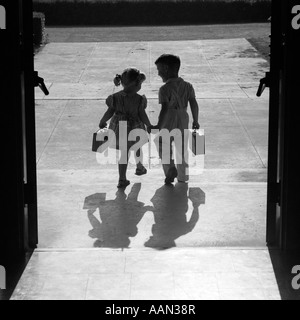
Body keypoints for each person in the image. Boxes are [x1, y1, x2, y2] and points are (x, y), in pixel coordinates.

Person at [99, 68, 152, 188]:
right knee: (137, 146)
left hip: (120, 127)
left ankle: (122, 178)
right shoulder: (139, 99)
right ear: (136, 84)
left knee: (124, 153)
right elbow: (142, 114)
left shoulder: (114, 97)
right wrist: (149, 125)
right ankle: (139, 167)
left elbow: (110, 111)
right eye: (140, 84)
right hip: (135, 126)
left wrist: (102, 121)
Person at [152, 54, 200, 185]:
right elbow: (194, 103)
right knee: (182, 147)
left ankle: (170, 169)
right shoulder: (188, 86)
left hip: (169, 118)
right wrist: (196, 120)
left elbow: (165, 109)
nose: (158, 73)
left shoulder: (164, 89)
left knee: (162, 142)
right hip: (183, 117)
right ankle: (183, 177)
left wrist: (158, 125)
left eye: (159, 70)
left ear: (166, 69)